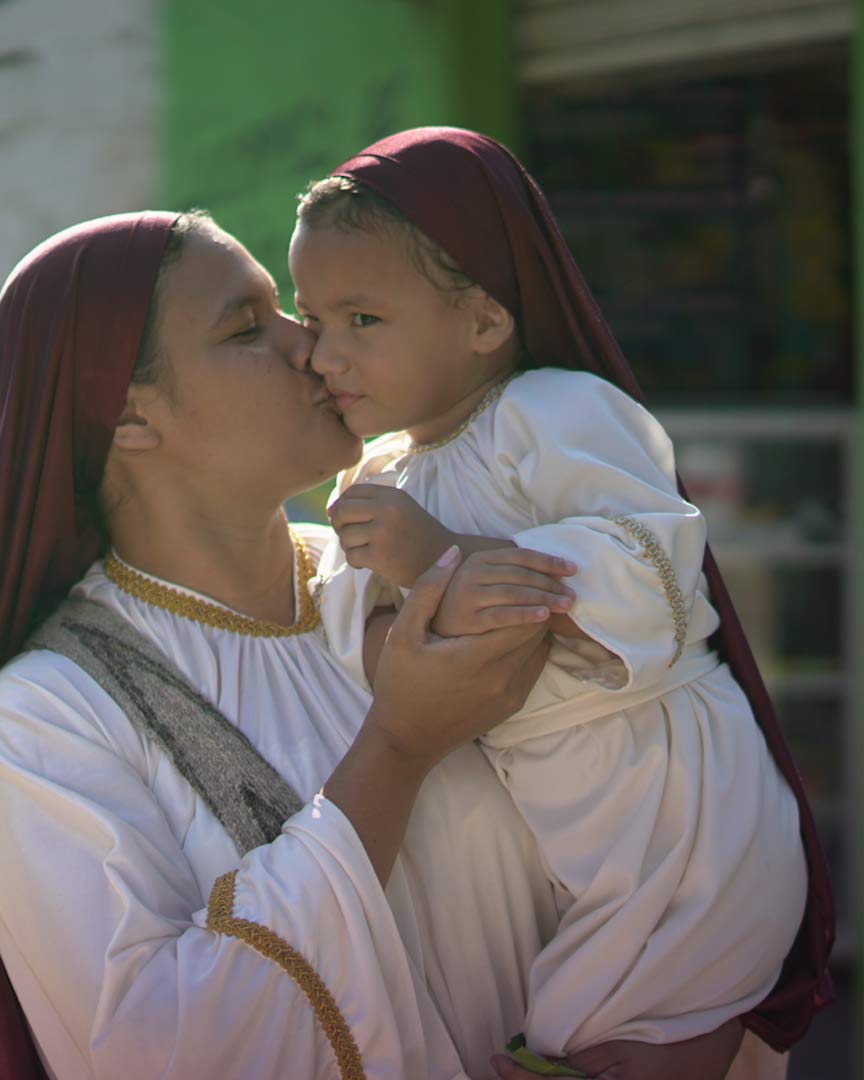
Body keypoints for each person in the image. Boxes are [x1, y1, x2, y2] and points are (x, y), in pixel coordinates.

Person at [0, 211, 768, 1079]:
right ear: (128, 419)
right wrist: (397, 748)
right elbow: (158, 1045)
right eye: (246, 330)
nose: (309, 347)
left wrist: (687, 1015)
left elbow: (669, 776)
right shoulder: (49, 719)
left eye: (288, 312)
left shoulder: (402, 575)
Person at [292, 127, 834, 1073]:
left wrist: (444, 561)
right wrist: (402, 613)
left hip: (673, 798)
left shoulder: (551, 414)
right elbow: (358, 634)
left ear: (485, 322)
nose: (323, 355)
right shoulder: (375, 479)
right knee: (571, 1028)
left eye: (362, 321)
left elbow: (654, 571)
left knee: (643, 1030)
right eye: (313, 320)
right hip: (565, 817)